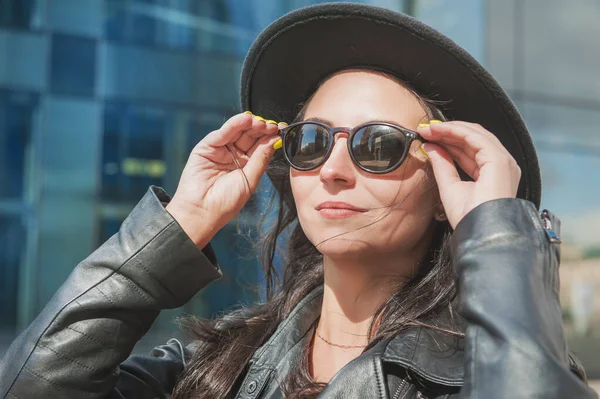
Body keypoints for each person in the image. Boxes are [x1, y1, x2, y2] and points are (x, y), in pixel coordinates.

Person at [0, 3, 597, 399]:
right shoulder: (214, 367)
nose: (334, 169)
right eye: (310, 141)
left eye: (380, 146)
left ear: (446, 190)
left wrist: (496, 231)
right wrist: (177, 227)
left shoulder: (487, 370)